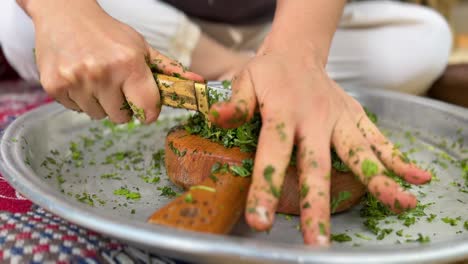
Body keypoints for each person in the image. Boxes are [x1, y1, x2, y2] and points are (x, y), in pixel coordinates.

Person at [0, 0, 450, 245]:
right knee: (19, 25)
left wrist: (299, 51)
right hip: (149, 16)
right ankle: (237, 67)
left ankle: (276, 68)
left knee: (425, 41)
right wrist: (65, 13)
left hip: (282, 20)